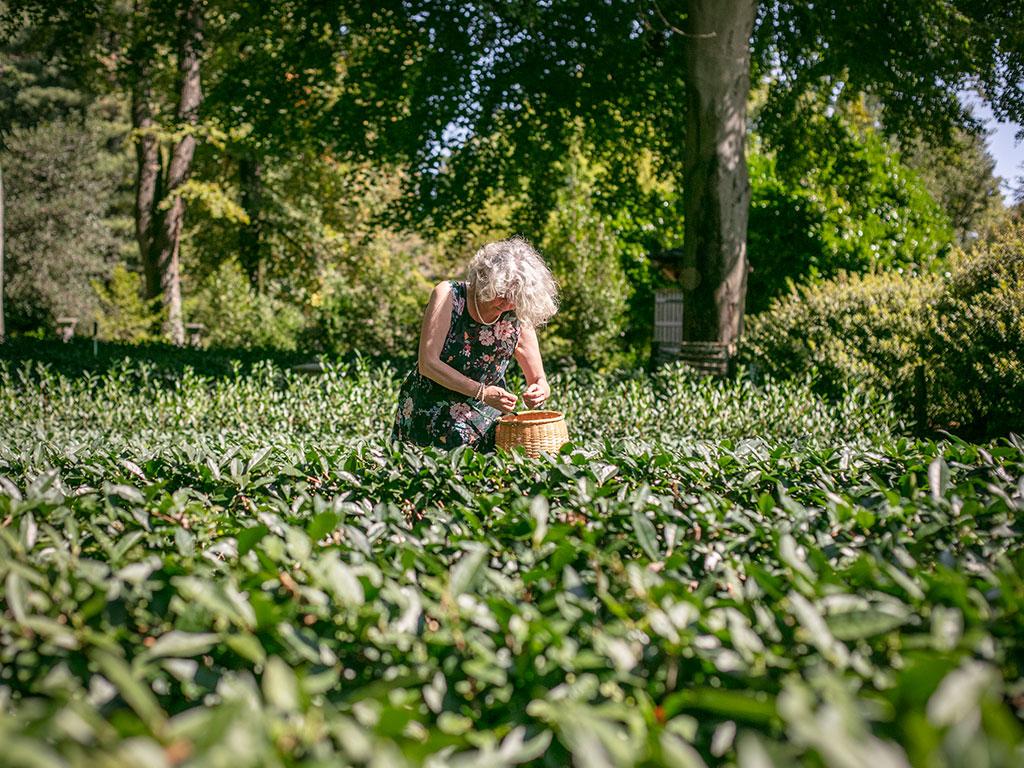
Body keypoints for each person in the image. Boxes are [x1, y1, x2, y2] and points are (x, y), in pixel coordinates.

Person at [391, 236, 559, 450]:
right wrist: (482, 392)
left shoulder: (517, 313)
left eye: (515, 297)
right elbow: (428, 363)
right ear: (486, 280)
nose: (507, 303)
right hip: (429, 414)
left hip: (485, 423)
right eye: (502, 294)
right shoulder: (449, 295)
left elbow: (538, 378)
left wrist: (539, 390)